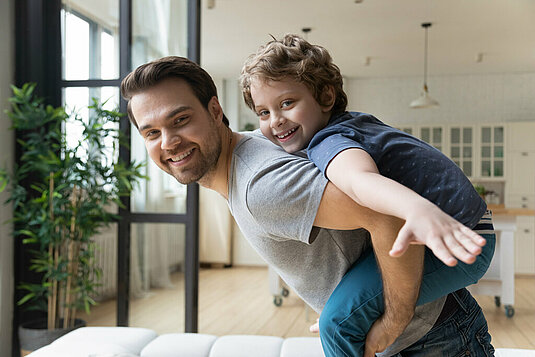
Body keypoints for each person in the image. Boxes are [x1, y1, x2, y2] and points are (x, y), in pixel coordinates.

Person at [120, 56, 494, 357]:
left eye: (181, 120)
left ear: (215, 110)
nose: (168, 142)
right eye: (151, 133)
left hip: (429, 342)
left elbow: (388, 214)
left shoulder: (260, 186)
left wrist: (393, 320)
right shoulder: (263, 147)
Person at [239, 34, 496, 355]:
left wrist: (416, 208)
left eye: (287, 103)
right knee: (343, 316)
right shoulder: (354, 124)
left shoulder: (330, 141)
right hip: (468, 227)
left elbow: (360, 179)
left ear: (326, 97)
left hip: (457, 238)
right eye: (263, 113)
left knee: (336, 324)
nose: (275, 121)